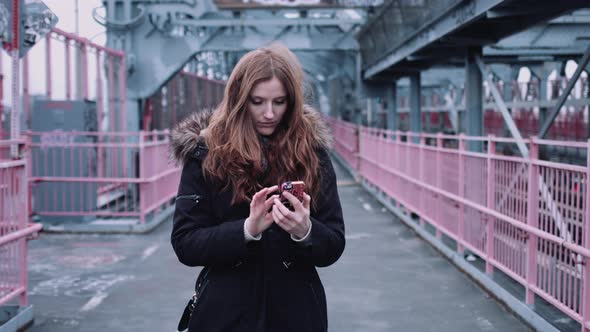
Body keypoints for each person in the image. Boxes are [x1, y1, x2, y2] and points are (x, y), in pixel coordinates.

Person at [169, 43, 345, 332]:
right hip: (225, 315)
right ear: (239, 100)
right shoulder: (206, 155)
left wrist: (306, 231)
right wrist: (247, 230)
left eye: (279, 102)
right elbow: (185, 244)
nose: (268, 113)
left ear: (293, 102)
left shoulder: (313, 155)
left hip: (296, 314)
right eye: (257, 101)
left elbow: (334, 244)